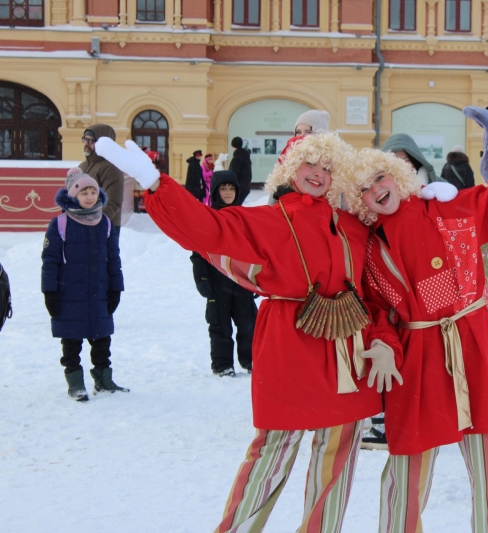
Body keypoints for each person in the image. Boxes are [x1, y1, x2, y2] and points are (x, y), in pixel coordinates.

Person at [95, 133, 401, 533]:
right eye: (310, 164)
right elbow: (206, 228)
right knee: (271, 454)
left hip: (348, 355)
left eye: (328, 168)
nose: (319, 174)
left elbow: (373, 295)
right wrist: (156, 184)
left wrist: (384, 341)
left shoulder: (351, 227)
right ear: (290, 169)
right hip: (290, 348)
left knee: (337, 462)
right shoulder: (269, 220)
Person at [337, 95, 488, 533]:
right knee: (408, 463)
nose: (375, 189)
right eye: (362, 189)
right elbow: (374, 308)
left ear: (399, 174)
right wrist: (382, 343)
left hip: (471, 341)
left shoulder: (448, 209)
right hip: (417, 357)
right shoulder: (372, 249)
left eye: (379, 177)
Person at [41, 168, 127, 402]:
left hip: (99, 292)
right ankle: (75, 383)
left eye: (93, 192)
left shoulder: (104, 223)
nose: (90, 197)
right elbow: (50, 261)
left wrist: (116, 288)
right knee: (71, 341)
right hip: (69, 294)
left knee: (102, 339)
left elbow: (113, 259)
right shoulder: (60, 224)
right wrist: (49, 292)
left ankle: (103, 379)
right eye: (84, 193)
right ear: (73, 196)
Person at [190, 171, 256, 376]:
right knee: (220, 326)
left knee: (248, 324)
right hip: (216, 281)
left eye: (231, 188)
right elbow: (198, 252)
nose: (228, 193)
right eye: (223, 188)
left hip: (241, 281)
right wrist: (201, 278)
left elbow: (255, 249)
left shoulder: (243, 218)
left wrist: (256, 278)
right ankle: (222, 365)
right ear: (215, 192)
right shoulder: (208, 218)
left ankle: (251, 360)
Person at [79, 124, 124, 229]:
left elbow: (113, 202)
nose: (86, 143)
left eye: (90, 140)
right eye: (85, 139)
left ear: (102, 144)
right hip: (83, 225)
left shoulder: (111, 168)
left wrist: (96, 223)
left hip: (105, 227)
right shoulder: (82, 166)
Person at [228, 136, 252, 205]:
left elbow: (233, 174)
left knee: (234, 206)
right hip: (245, 186)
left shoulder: (237, 158)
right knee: (237, 206)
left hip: (238, 187)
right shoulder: (246, 157)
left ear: (232, 146)